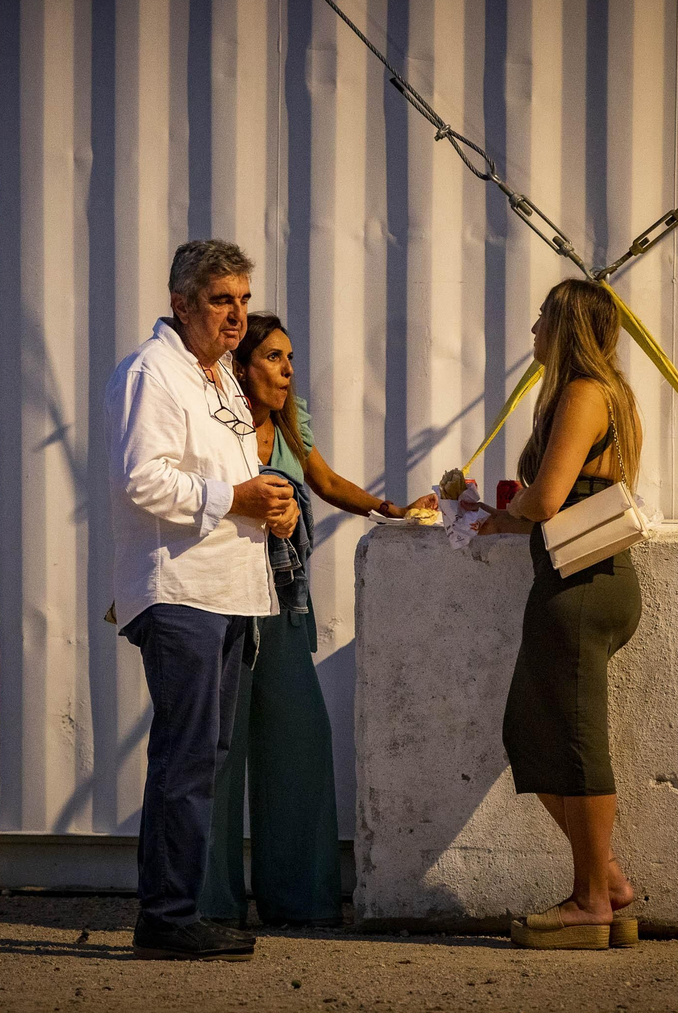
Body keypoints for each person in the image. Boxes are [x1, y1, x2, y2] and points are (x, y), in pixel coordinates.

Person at [201, 312, 437, 928]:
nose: (288, 370)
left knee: (299, 742)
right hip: (223, 603)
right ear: (241, 368)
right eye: (274, 358)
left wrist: (390, 510)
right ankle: (209, 906)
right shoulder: (212, 421)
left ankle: (299, 901)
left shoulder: (288, 421)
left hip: (283, 607)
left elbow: (325, 480)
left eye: (290, 359)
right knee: (218, 753)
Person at [105, 240, 299, 961]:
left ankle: (176, 911)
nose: (237, 315)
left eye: (244, 300)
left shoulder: (219, 379)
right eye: (222, 301)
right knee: (185, 757)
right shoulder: (153, 372)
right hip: (180, 591)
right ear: (182, 304)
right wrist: (235, 498)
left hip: (227, 591)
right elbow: (143, 480)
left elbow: (237, 482)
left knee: (204, 756)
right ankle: (166, 917)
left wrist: (274, 506)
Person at [474, 278, 645, 951]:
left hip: (579, 589)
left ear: (567, 325)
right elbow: (569, 502)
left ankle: (591, 900)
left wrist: (511, 508)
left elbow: (547, 500)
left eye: (544, 317)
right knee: (530, 732)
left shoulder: (583, 393)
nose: (534, 330)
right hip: (589, 579)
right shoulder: (609, 394)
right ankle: (607, 881)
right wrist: (500, 521)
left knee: (576, 743)